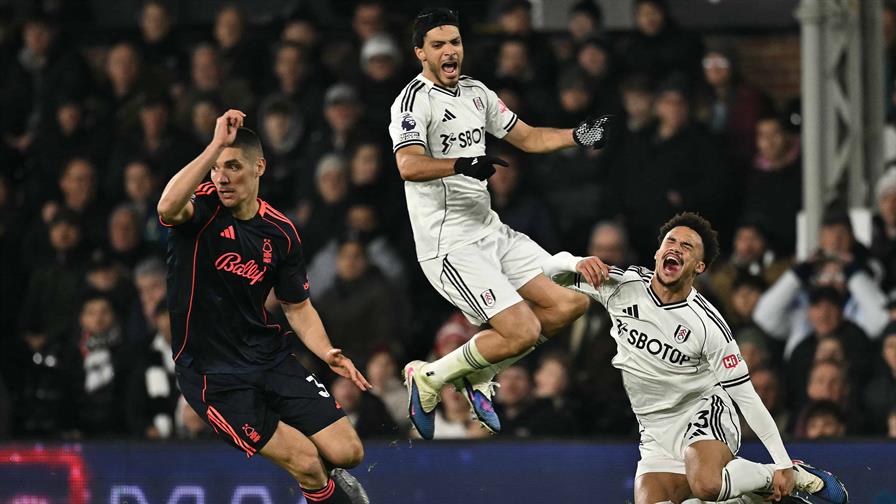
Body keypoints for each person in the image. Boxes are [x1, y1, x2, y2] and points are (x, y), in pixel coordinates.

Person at [391, 8, 613, 440]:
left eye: (454, 42)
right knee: (523, 329)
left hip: (490, 230)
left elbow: (527, 137)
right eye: (438, 44)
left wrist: (576, 135)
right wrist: (461, 163)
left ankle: (477, 375)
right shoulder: (412, 102)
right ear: (420, 53)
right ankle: (430, 376)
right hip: (449, 244)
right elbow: (407, 164)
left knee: (571, 304)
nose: (449, 50)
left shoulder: (477, 92)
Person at [542, 212, 848, 504]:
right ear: (657, 254)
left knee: (706, 483)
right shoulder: (622, 287)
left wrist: (780, 462)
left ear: (698, 267)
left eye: (686, 246)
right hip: (655, 431)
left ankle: (788, 475)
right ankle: (748, 495)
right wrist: (577, 261)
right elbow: (549, 271)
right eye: (670, 243)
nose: (675, 248)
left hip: (703, 413)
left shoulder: (707, 325)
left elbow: (746, 396)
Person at [156, 109, 371, 503]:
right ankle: (320, 487)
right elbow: (167, 207)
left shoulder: (281, 233)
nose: (221, 177)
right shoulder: (199, 209)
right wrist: (216, 145)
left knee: (349, 452)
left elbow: (297, 306)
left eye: (233, 166)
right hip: (213, 376)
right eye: (217, 168)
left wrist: (326, 351)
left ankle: (326, 480)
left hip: (268, 357)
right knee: (306, 462)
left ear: (259, 167)